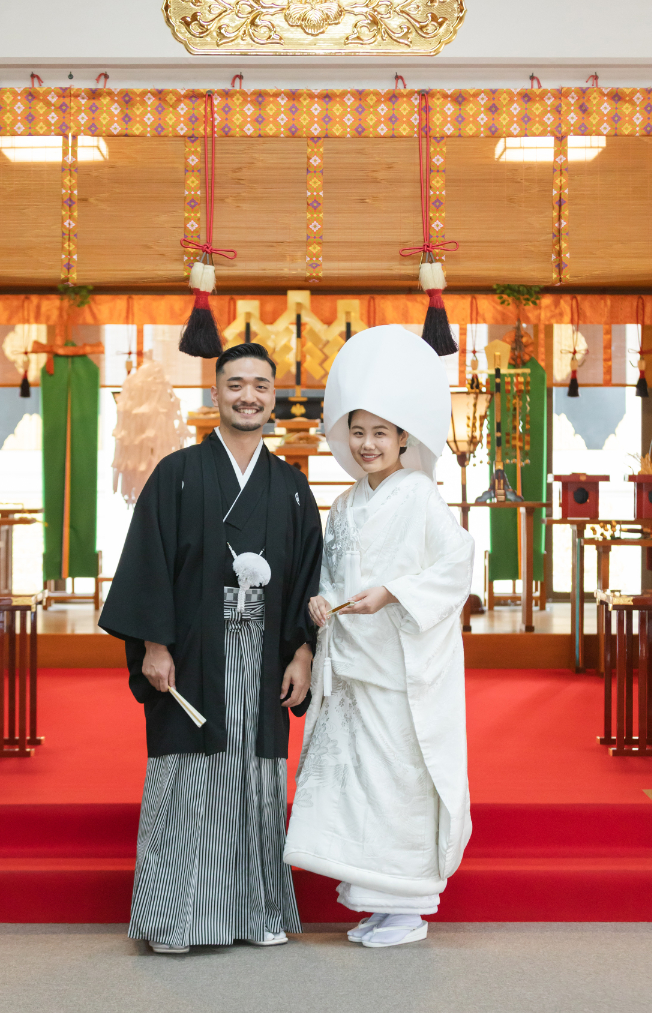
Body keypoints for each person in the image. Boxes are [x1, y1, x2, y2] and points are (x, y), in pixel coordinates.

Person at [99, 343, 323, 953]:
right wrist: (153, 643)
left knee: (257, 782)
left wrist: (303, 654)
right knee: (189, 781)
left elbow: (309, 579)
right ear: (216, 392)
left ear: (272, 396)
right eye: (235, 385)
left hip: (264, 660)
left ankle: (258, 916)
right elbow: (149, 562)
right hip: (193, 653)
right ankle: (176, 921)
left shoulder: (293, 488)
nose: (248, 396)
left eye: (260, 385)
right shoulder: (176, 475)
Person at [284, 325, 474, 949]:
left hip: (399, 666)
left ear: (403, 440)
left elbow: (455, 563)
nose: (368, 445)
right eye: (358, 432)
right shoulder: (343, 506)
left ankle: (410, 908)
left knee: (399, 780)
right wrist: (320, 601)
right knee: (362, 786)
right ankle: (377, 902)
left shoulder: (420, 495)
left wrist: (392, 592)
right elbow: (333, 575)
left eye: (381, 434)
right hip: (353, 666)